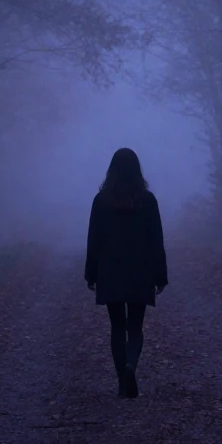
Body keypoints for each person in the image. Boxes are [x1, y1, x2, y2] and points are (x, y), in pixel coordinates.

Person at [84, 147, 168, 399]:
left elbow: (94, 240)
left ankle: (122, 377)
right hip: (140, 271)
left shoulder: (101, 201)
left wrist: (91, 274)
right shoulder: (148, 200)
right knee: (136, 326)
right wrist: (160, 275)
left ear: (112, 170)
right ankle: (131, 365)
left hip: (111, 271)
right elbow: (156, 240)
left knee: (117, 326)